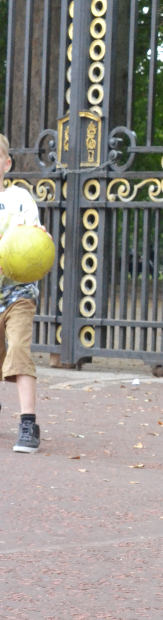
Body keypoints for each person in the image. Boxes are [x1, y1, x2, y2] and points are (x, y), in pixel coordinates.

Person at [0, 134, 44, 453]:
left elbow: (33, 235)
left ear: (6, 163)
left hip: (19, 291)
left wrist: (39, 236)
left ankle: (28, 423)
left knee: (18, 347)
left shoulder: (20, 198)